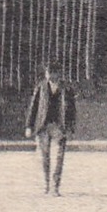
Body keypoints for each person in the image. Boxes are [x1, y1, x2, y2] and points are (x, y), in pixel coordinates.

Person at [24, 61, 77, 196]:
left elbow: (72, 110)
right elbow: (34, 107)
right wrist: (29, 126)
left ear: (57, 74)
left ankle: (55, 186)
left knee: (59, 157)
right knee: (45, 157)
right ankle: (47, 184)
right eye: (47, 73)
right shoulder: (41, 87)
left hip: (59, 126)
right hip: (43, 126)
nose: (48, 75)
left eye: (51, 73)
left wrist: (70, 127)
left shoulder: (67, 89)